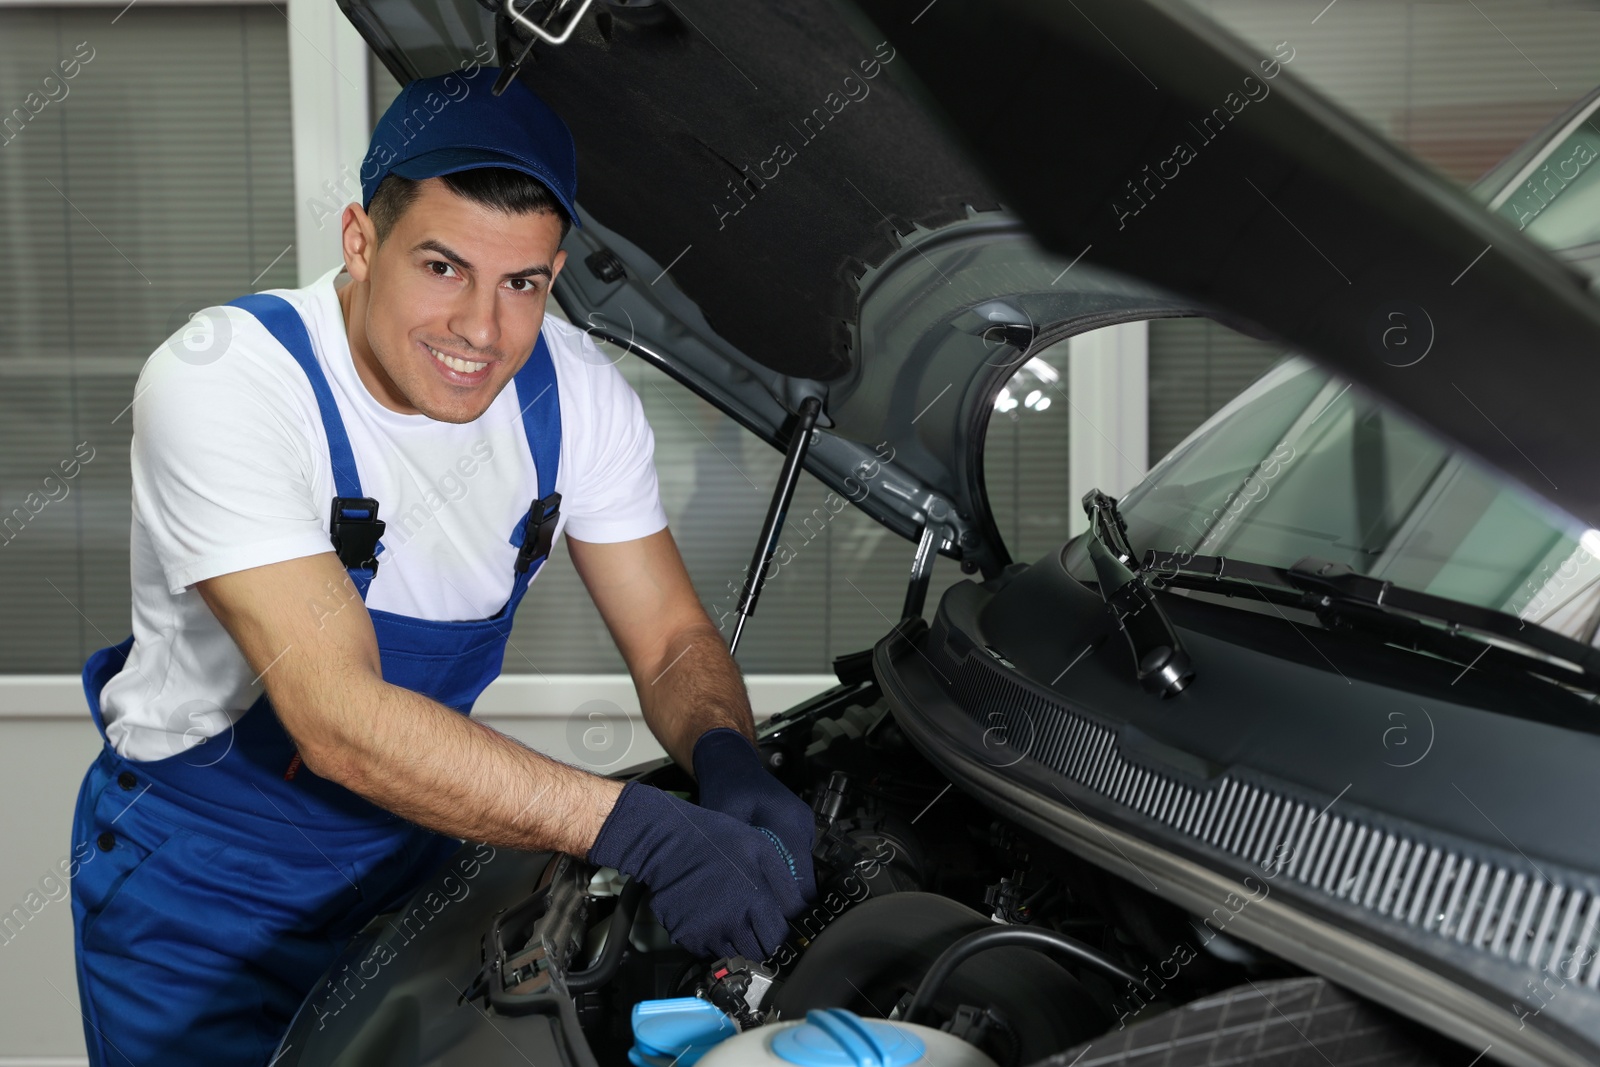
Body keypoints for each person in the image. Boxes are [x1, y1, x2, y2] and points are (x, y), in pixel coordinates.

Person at [68, 66, 817, 1066]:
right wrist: (637, 828)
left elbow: (674, 637)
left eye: (523, 283)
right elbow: (337, 720)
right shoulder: (230, 383)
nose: (481, 329)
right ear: (360, 241)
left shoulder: (575, 396)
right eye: (441, 266)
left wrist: (726, 757)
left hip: (408, 848)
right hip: (204, 889)